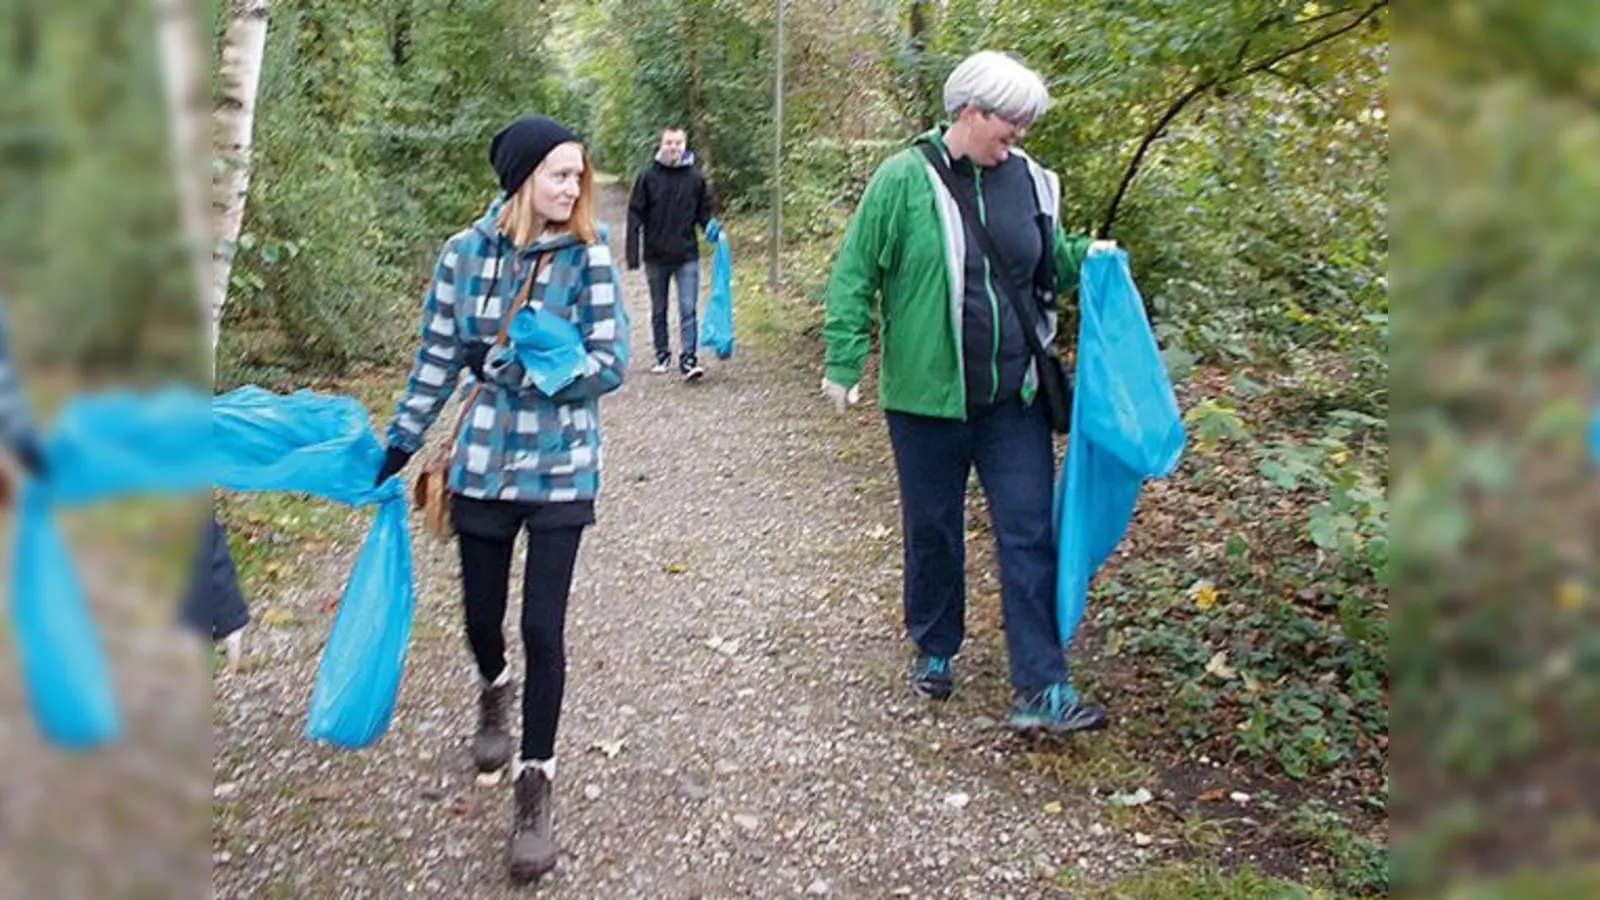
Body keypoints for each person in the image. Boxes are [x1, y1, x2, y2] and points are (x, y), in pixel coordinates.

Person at [821, 51, 1118, 734]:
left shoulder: (1035, 183)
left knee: (1029, 532)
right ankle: (934, 644)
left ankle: (1041, 686)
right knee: (933, 529)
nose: (1020, 133)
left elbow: (1048, 260)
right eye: (1011, 120)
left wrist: (1090, 258)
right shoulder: (904, 180)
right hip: (926, 400)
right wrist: (844, 360)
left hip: (1013, 399)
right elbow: (855, 271)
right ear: (972, 111)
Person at [373, 114, 628, 884]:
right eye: (558, 174)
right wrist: (397, 445)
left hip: (562, 468)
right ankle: (492, 688)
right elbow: (437, 360)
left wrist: (518, 365)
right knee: (482, 623)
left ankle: (535, 785)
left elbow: (610, 364)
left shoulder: (590, 257)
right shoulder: (462, 256)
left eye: (578, 174)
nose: (572, 187)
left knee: (541, 626)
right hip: (481, 467)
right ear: (519, 178)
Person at [625, 126, 718, 381]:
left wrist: (711, 228)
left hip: (687, 255)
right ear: (661, 145)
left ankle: (689, 359)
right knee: (659, 308)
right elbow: (635, 214)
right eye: (669, 143)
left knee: (688, 308)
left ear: (685, 145)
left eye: (678, 143)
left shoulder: (696, 179)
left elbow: (704, 211)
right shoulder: (647, 178)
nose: (673, 147)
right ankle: (662, 355)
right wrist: (632, 252)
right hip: (656, 256)